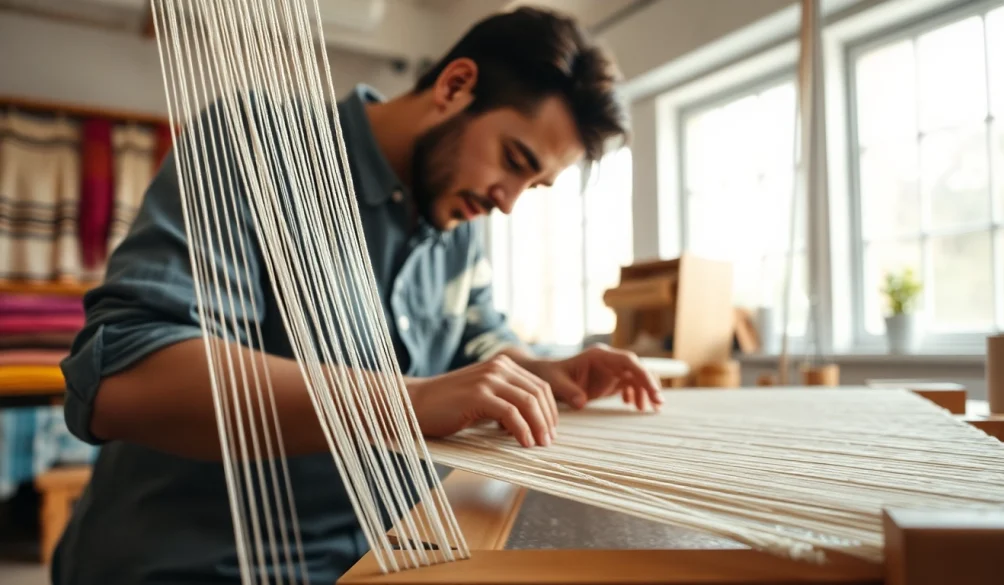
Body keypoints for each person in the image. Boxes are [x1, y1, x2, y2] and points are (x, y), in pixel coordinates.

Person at [54, 6, 662, 585]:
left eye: (534, 184)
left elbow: (477, 333)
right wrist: (408, 402)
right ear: (454, 85)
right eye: (514, 160)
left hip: (372, 555)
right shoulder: (259, 150)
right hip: (192, 562)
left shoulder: (457, 223)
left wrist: (541, 370)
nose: (508, 200)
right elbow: (120, 381)